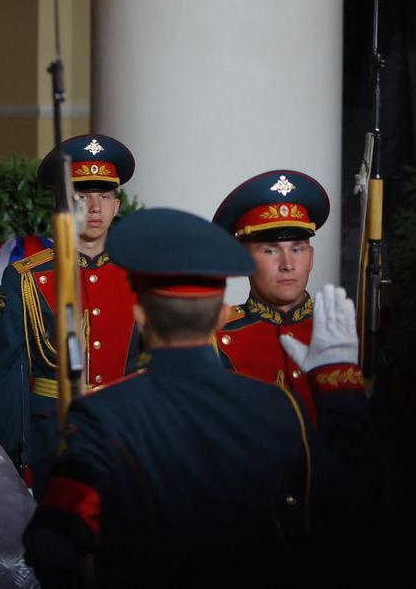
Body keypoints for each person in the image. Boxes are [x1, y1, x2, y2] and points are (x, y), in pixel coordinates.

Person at [22, 208, 371, 587]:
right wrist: (340, 389)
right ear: (222, 315)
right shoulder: (279, 407)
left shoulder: (102, 415)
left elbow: (52, 544)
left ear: (139, 315)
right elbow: (350, 503)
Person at [0, 134, 138, 493]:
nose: (95, 208)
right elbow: (9, 377)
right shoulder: (26, 279)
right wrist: (15, 457)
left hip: (125, 437)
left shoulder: (140, 277)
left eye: (103, 196)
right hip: (50, 442)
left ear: (116, 206)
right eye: (82, 196)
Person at [211, 169, 364, 420]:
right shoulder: (216, 337)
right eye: (270, 250)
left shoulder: (346, 333)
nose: (288, 264)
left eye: (298, 249)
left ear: (311, 257)